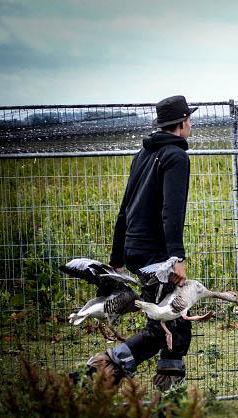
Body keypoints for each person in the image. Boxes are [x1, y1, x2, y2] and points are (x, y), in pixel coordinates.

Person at [85, 95, 197, 391]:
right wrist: (176, 258)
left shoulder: (143, 154)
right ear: (182, 123)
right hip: (156, 255)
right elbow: (172, 211)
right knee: (163, 328)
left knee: (177, 322)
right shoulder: (176, 157)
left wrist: (117, 254)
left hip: (136, 248)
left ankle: (168, 390)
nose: (191, 124)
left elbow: (125, 207)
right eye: (189, 120)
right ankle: (102, 370)